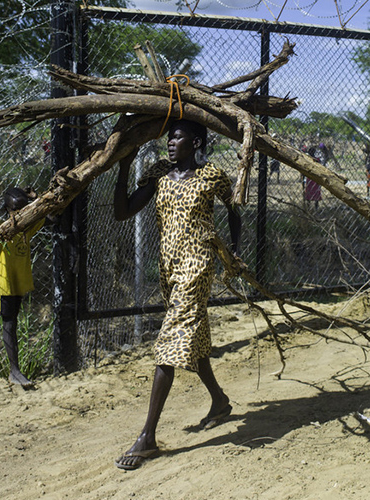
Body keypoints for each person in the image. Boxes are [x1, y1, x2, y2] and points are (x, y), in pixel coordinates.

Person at [113, 119, 241, 470]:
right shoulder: (159, 175)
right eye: (169, 137)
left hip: (198, 266)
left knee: (169, 344)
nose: (171, 142)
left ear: (195, 142)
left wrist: (234, 251)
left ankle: (147, 438)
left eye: (178, 137)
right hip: (169, 269)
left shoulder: (212, 175)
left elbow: (234, 210)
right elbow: (122, 211)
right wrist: (124, 166)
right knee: (191, 339)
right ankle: (219, 400)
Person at [0, 187, 46, 389]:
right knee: (9, 325)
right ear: (8, 210)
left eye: (23, 209)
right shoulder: (2, 228)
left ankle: (15, 371)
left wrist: (37, 199)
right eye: (16, 210)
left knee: (13, 323)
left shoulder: (27, 228)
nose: (20, 214)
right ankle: (14, 371)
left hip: (17, 284)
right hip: (3, 284)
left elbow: (49, 215)